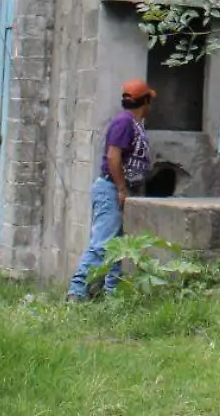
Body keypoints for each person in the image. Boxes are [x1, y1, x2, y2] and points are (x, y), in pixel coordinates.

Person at [67, 79, 156, 301]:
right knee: (102, 245)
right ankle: (76, 293)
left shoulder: (134, 123)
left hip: (118, 189)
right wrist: (121, 188)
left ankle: (110, 295)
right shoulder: (124, 122)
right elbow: (113, 155)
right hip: (110, 188)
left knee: (117, 248)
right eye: (150, 101)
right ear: (144, 101)